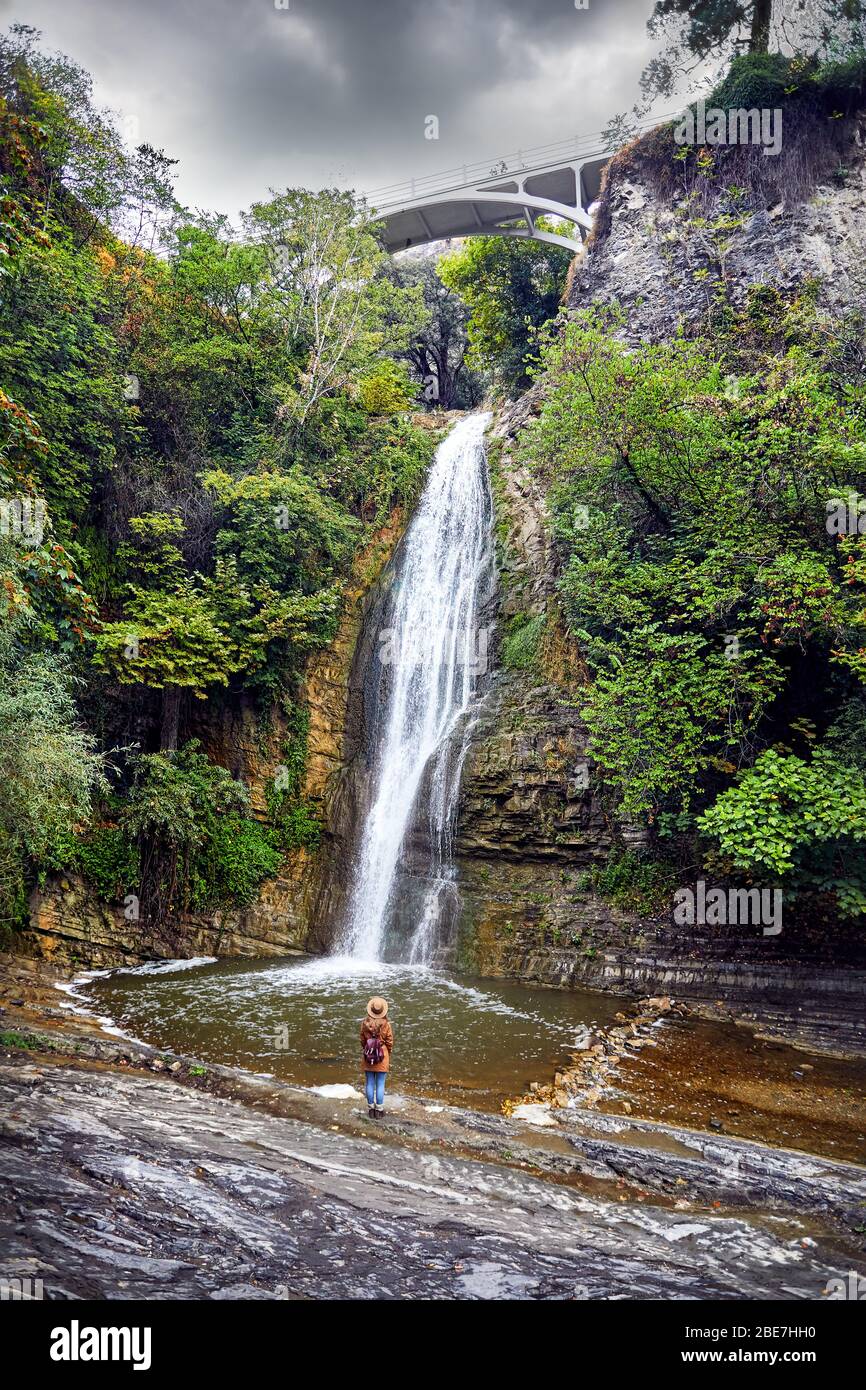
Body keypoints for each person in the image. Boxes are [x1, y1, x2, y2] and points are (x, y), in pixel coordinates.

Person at [360, 996, 393, 1119]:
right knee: (380, 1083)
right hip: (382, 1055)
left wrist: (367, 1049)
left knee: (369, 1082)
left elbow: (362, 1040)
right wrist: (387, 1053)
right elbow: (390, 1042)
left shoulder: (364, 1023)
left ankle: (371, 1110)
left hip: (368, 1055)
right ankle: (379, 1110)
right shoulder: (386, 1024)